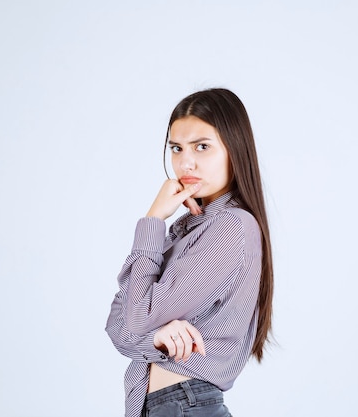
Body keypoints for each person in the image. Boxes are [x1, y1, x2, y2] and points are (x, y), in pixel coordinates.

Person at [105, 88, 273, 417]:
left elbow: (135, 319)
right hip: (171, 404)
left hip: (183, 403)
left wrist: (153, 219)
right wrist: (155, 337)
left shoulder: (231, 227)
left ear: (234, 150)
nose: (186, 162)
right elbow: (116, 324)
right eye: (176, 148)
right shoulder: (190, 230)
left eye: (202, 147)